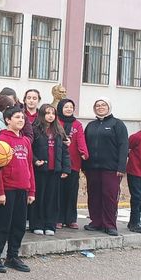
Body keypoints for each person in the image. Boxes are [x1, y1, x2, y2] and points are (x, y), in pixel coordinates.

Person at [0, 106, 36, 273]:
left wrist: (31, 191)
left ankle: (12, 256)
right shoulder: (1, 140)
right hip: (7, 189)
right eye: (17, 117)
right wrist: (0, 192)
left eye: (22, 118)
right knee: (2, 224)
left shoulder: (25, 141)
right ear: (8, 120)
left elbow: (30, 166)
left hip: (23, 187)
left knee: (19, 225)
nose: (21, 120)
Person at [83, 98, 128, 236]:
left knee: (109, 196)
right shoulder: (91, 125)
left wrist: (121, 167)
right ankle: (96, 222)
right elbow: (84, 146)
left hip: (111, 168)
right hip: (92, 168)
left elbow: (123, 146)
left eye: (103, 105)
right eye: (97, 105)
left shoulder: (117, 124)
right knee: (94, 195)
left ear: (109, 107)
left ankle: (109, 224)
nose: (100, 107)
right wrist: (84, 166)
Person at [30, 104, 70, 235]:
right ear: (42, 115)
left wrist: (65, 168)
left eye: (53, 113)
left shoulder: (59, 130)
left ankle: (50, 225)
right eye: (47, 113)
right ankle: (37, 224)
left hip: (55, 170)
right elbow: (29, 149)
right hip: (40, 170)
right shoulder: (35, 129)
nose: (50, 116)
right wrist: (35, 160)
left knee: (52, 199)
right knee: (39, 198)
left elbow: (65, 151)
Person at [56, 98, 88, 229]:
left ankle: (71, 219)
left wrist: (84, 152)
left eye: (71, 107)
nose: (69, 109)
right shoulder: (56, 122)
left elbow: (81, 139)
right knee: (58, 191)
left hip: (73, 163)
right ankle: (58, 218)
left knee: (71, 191)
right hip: (58, 162)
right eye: (66, 107)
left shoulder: (77, 124)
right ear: (60, 109)